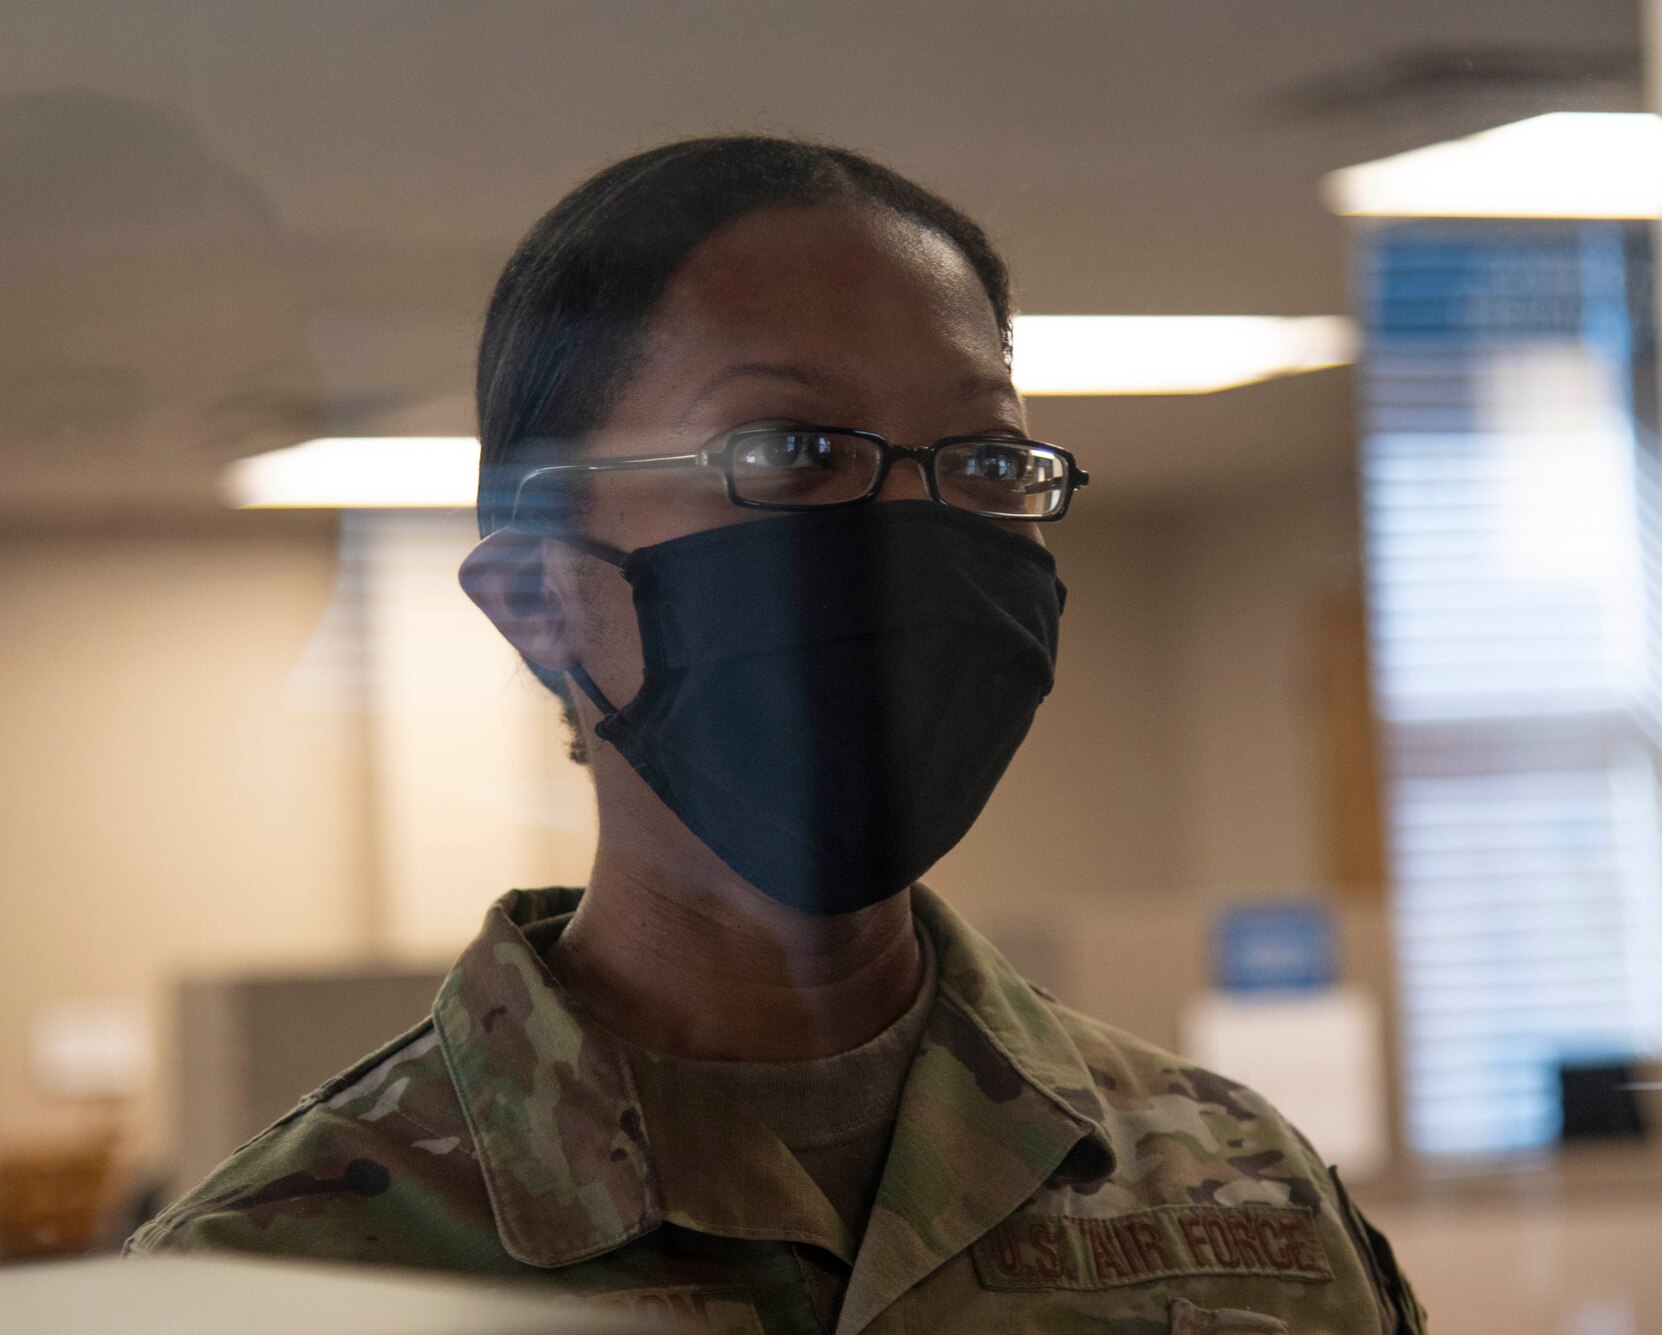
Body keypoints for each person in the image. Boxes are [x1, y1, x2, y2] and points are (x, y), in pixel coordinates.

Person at [129, 136, 1425, 1335]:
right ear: (536, 597)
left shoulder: (1244, 1208)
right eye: (791, 449)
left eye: (983, 458)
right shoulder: (271, 1283)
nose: (913, 539)